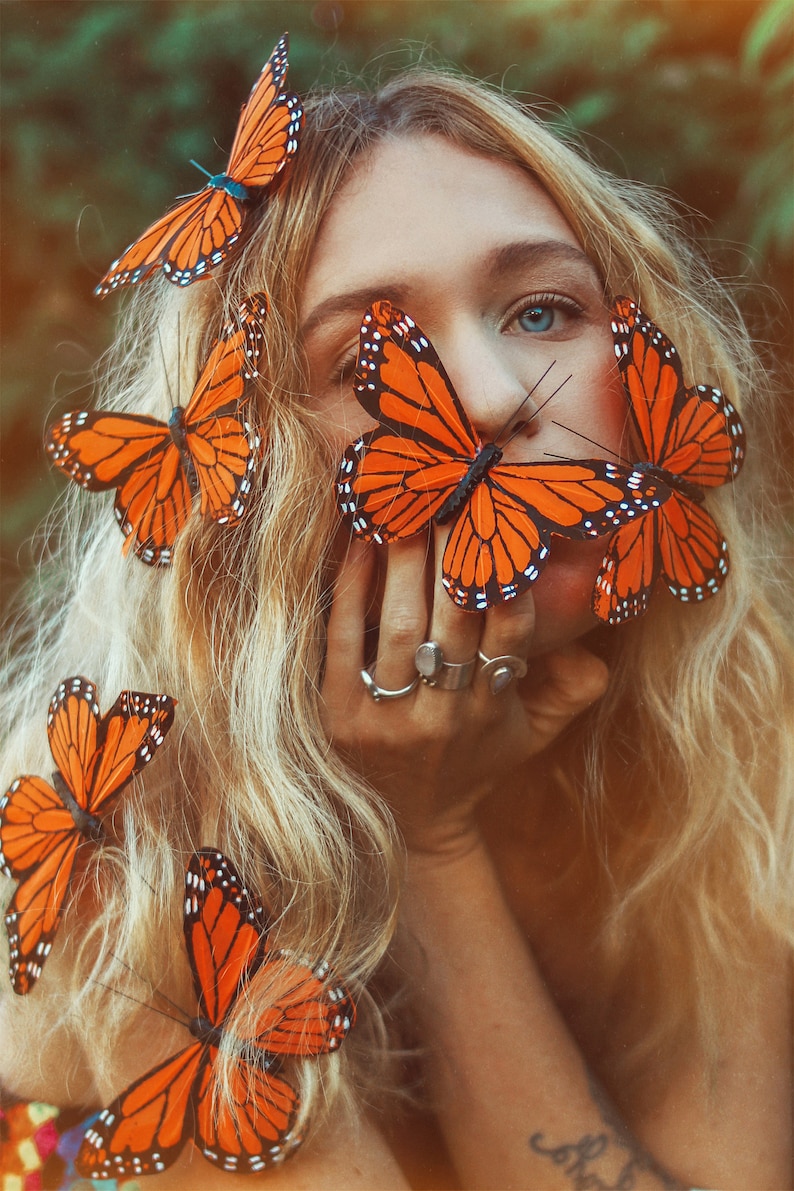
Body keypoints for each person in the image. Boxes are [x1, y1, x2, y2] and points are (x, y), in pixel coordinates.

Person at [0, 61, 791, 1191]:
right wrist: (430, 843)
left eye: (540, 310)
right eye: (373, 358)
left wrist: (436, 842)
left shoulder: (728, 728)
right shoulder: (120, 846)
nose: (485, 396)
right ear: (250, 465)